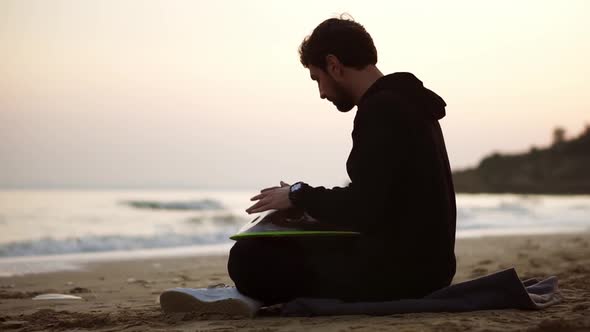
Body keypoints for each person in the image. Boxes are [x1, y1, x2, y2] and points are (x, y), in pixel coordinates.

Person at [229, 15, 457, 307]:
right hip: (427, 265)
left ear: (334, 66)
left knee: (248, 257)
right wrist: (309, 209)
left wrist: (298, 194)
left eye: (318, 79)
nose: (322, 92)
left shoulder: (381, 109)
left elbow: (364, 206)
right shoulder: (409, 101)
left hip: (405, 273)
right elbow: (381, 202)